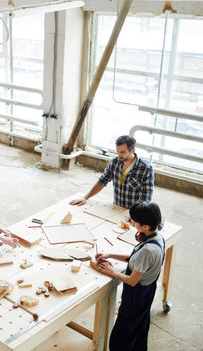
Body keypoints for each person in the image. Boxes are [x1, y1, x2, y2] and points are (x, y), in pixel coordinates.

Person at [95, 202, 165, 351]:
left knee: (121, 339)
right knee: (139, 330)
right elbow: (136, 259)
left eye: (134, 221)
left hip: (136, 297)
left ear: (145, 226)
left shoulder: (148, 250)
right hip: (147, 293)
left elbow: (133, 281)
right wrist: (110, 254)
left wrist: (112, 272)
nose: (131, 222)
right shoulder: (158, 238)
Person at [69, 135, 154, 209]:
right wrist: (85, 197)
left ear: (133, 150)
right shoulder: (114, 163)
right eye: (117, 151)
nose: (119, 155)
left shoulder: (146, 168)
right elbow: (102, 181)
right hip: (117, 207)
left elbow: (146, 197)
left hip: (134, 212)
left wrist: (136, 214)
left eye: (123, 152)